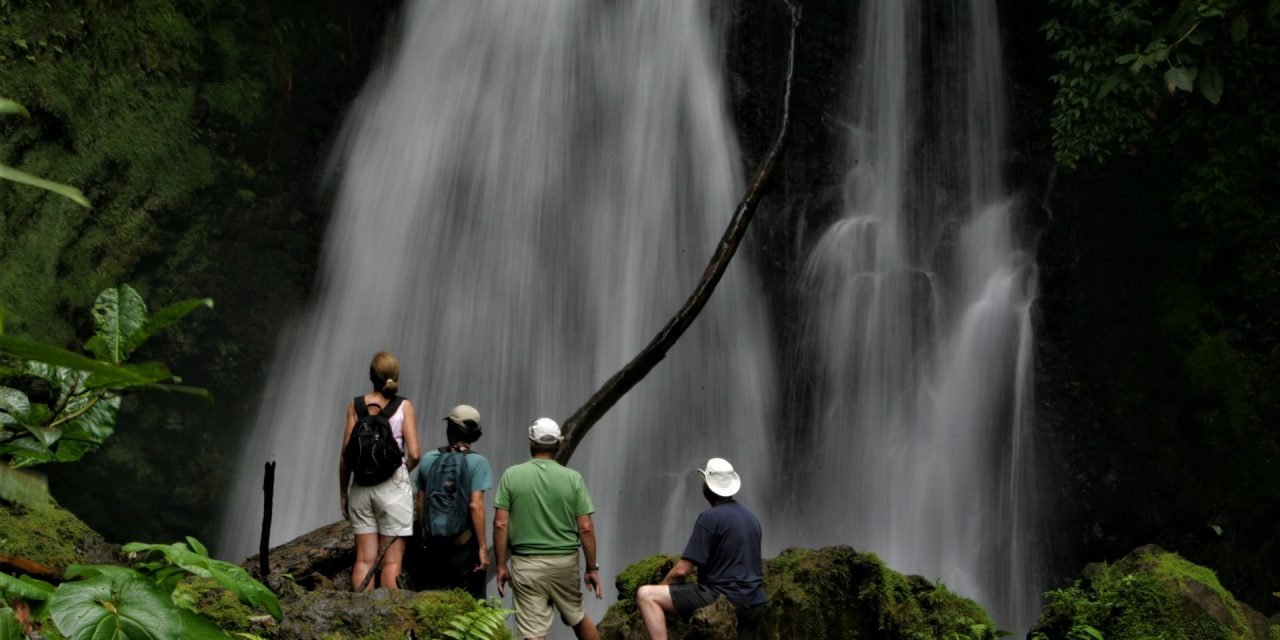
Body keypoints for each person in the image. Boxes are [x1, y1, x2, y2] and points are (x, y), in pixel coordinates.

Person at [493, 418, 602, 640]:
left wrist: (501, 565)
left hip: (527, 564)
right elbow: (586, 528)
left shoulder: (511, 475)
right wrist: (592, 568)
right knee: (578, 617)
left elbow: (500, 523)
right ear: (559, 445)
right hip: (565, 563)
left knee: (534, 632)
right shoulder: (573, 479)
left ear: (530, 443)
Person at [635, 457, 767, 640]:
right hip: (755, 604)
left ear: (708, 488)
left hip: (724, 599)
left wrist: (662, 589)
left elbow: (682, 571)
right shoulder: (752, 519)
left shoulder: (709, 518)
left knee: (646, 595)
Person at [339, 351, 420, 591]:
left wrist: (344, 492)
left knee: (364, 560)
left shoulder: (355, 406)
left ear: (370, 376)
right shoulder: (404, 406)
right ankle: (388, 624)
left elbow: (346, 455)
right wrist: (401, 473)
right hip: (393, 487)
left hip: (361, 487)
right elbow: (414, 453)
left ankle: (361, 620)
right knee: (391, 563)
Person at [408, 404, 492, 597]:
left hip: (432, 542)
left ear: (449, 430)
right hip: (462, 544)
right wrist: (482, 548)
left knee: (431, 593)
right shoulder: (478, 463)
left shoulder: (429, 459)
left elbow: (420, 504)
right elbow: (475, 505)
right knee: (467, 598)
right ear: (475, 435)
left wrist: (423, 535)